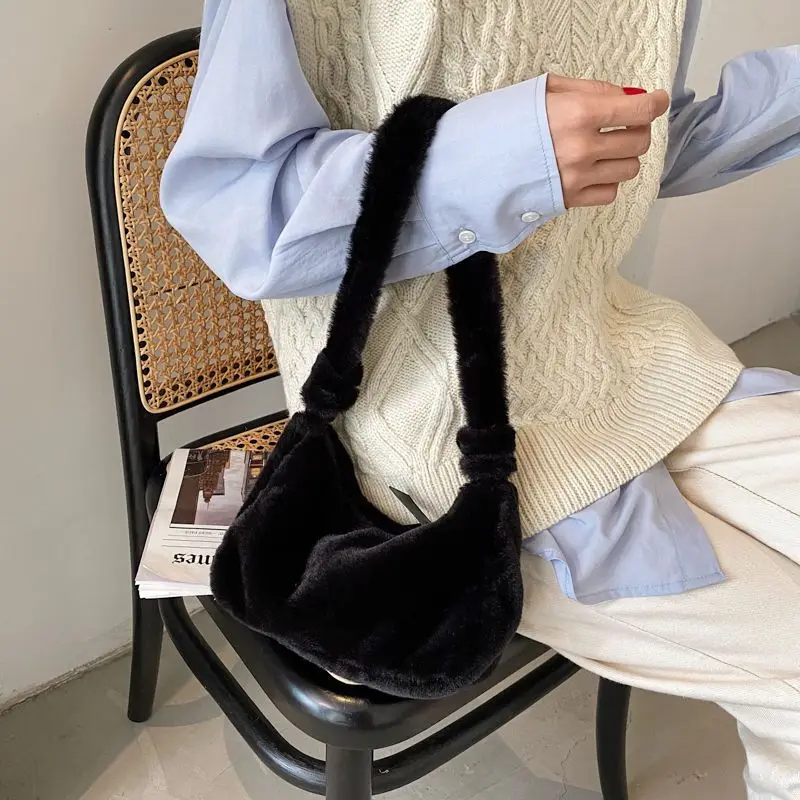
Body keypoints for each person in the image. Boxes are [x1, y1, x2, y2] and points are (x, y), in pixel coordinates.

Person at [161, 0, 800, 795]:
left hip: (633, 360)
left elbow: (637, 139)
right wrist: (495, 157)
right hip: (426, 428)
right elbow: (235, 206)